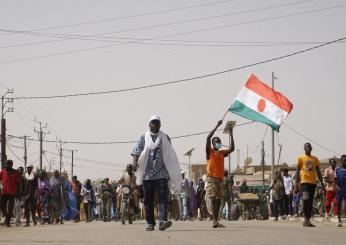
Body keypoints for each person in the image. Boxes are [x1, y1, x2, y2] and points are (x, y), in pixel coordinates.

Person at [132, 115, 181, 231]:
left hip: (161, 173)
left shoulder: (165, 137)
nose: (155, 125)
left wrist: (171, 170)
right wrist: (134, 163)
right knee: (148, 200)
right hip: (147, 174)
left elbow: (169, 153)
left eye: (157, 123)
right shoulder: (143, 137)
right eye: (153, 123)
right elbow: (136, 151)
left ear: (160, 125)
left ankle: (162, 221)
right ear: (149, 125)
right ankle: (150, 223)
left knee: (162, 198)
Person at [206, 120, 234, 228]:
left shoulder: (222, 153)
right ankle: (214, 221)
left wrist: (231, 133)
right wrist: (217, 125)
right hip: (212, 179)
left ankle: (216, 220)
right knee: (213, 199)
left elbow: (232, 148)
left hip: (220, 179)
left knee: (218, 200)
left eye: (219, 141)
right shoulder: (210, 152)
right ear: (213, 144)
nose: (218, 143)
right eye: (216, 142)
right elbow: (208, 138)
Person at [294, 143, 324, 227]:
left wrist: (322, 183)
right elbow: (297, 172)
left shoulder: (315, 159)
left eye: (309, 147)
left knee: (310, 202)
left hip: (313, 183)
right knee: (305, 200)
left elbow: (318, 171)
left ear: (311, 149)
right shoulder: (301, 158)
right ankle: (305, 219)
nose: (308, 148)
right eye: (306, 147)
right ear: (304, 148)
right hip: (304, 182)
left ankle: (308, 220)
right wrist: (296, 185)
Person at [0, 159, 21, 227]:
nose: (6, 166)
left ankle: (8, 222)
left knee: (10, 208)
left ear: (11, 165)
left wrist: (18, 193)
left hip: (12, 193)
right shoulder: (2, 171)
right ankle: (8, 216)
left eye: (7, 165)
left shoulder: (15, 172)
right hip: (4, 193)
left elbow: (18, 184)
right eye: (5, 164)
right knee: (2, 207)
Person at [335, 155, 346, 227]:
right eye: (344, 160)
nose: (345, 161)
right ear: (341, 161)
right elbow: (334, 180)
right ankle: (339, 220)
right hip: (339, 190)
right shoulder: (337, 170)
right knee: (338, 205)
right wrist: (336, 186)